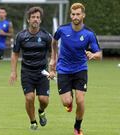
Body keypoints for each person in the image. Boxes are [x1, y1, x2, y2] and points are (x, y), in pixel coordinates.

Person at [49, 3, 102, 135]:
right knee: (67, 102)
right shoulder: (62, 29)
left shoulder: (89, 33)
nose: (75, 17)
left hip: (80, 69)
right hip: (64, 69)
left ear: (83, 15)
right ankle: (69, 102)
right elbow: (54, 42)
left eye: (78, 14)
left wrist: (93, 54)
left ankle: (77, 128)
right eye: (73, 14)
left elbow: (99, 54)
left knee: (81, 100)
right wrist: (53, 58)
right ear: (70, 15)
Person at [9, 7, 52, 130]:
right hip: (27, 72)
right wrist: (13, 72)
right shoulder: (21, 36)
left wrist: (52, 69)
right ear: (28, 19)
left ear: (40, 20)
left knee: (44, 100)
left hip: (43, 72)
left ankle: (41, 111)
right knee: (29, 97)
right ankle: (33, 122)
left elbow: (53, 53)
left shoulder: (46, 36)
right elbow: (15, 54)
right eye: (33, 17)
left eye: (38, 17)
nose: (35, 19)